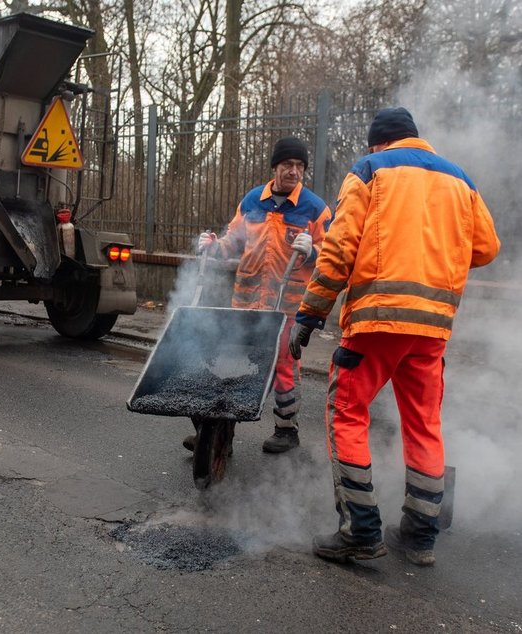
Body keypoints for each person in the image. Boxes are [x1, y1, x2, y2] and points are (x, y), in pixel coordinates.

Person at [290, 107, 500, 566]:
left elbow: (340, 250)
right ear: (414, 138)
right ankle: (420, 536)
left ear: (377, 143)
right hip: (432, 328)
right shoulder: (460, 179)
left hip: (376, 322)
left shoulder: (369, 170)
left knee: (346, 413)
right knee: (423, 423)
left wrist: (310, 313)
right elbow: (486, 247)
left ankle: (360, 531)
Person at [186, 137, 331, 454]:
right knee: (232, 364)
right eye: (287, 165)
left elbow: (336, 255)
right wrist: (212, 246)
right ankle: (219, 432)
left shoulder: (315, 209)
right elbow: (232, 243)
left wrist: (313, 251)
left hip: (288, 310)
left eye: (299, 166)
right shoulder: (252, 201)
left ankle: (286, 430)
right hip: (246, 304)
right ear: (275, 167)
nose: (294, 171)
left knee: (284, 368)